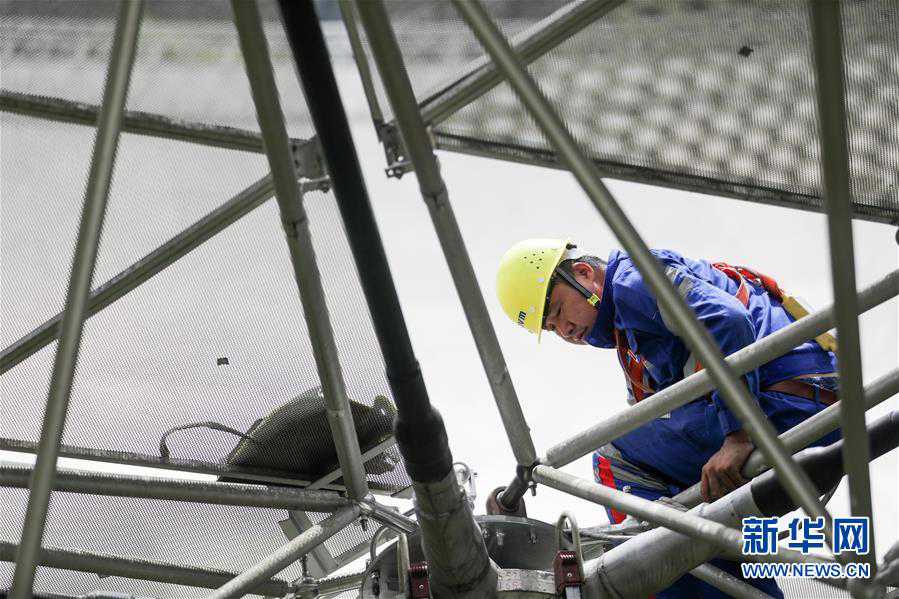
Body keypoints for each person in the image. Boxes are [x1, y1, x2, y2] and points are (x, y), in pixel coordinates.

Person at [495, 238, 840, 599]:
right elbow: (657, 419)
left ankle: (675, 579)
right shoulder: (633, 334)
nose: (564, 331)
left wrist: (739, 434)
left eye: (559, 310)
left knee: (615, 461)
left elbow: (729, 321)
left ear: (583, 274)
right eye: (552, 328)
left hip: (785, 405)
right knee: (680, 508)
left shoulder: (633, 282)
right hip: (803, 403)